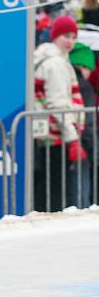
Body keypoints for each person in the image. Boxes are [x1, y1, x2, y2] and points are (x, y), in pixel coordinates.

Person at [33, 16, 87, 212]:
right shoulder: (55, 63)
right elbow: (58, 104)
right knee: (54, 186)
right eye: (66, 36)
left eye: (74, 36)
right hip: (56, 135)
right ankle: (49, 221)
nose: (70, 41)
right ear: (55, 36)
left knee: (48, 183)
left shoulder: (51, 60)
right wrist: (72, 138)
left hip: (49, 133)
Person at [69, 42, 95, 208]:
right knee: (80, 194)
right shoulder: (84, 86)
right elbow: (88, 122)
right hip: (80, 146)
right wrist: (93, 150)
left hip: (64, 143)